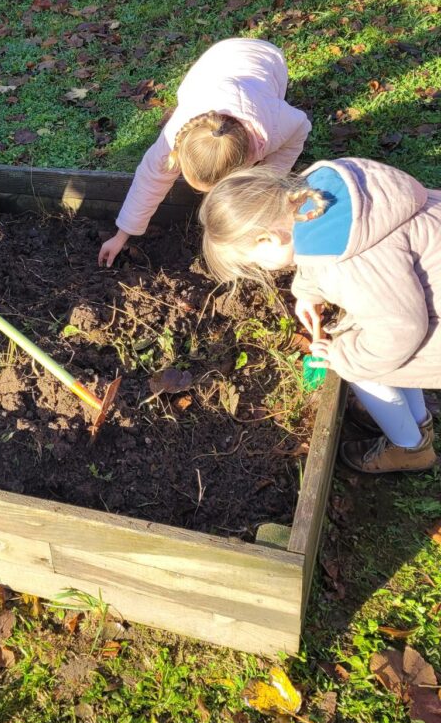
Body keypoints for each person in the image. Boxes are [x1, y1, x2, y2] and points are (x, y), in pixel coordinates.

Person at [199, 158, 440, 475]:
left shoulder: (347, 267)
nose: (260, 270)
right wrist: (308, 292)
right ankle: (415, 422)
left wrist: (342, 355)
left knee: (362, 367)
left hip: (422, 324)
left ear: (267, 239)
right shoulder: (323, 197)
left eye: (256, 264)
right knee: (377, 357)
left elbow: (400, 333)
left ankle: (410, 447)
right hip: (424, 290)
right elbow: (322, 246)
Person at [98, 38, 311, 266]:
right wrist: (122, 234)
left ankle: (263, 92)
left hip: (268, 60)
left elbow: (300, 128)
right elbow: (151, 178)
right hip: (213, 63)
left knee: (267, 97)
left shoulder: (277, 125)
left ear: (243, 162)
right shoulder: (175, 135)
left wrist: (267, 177)